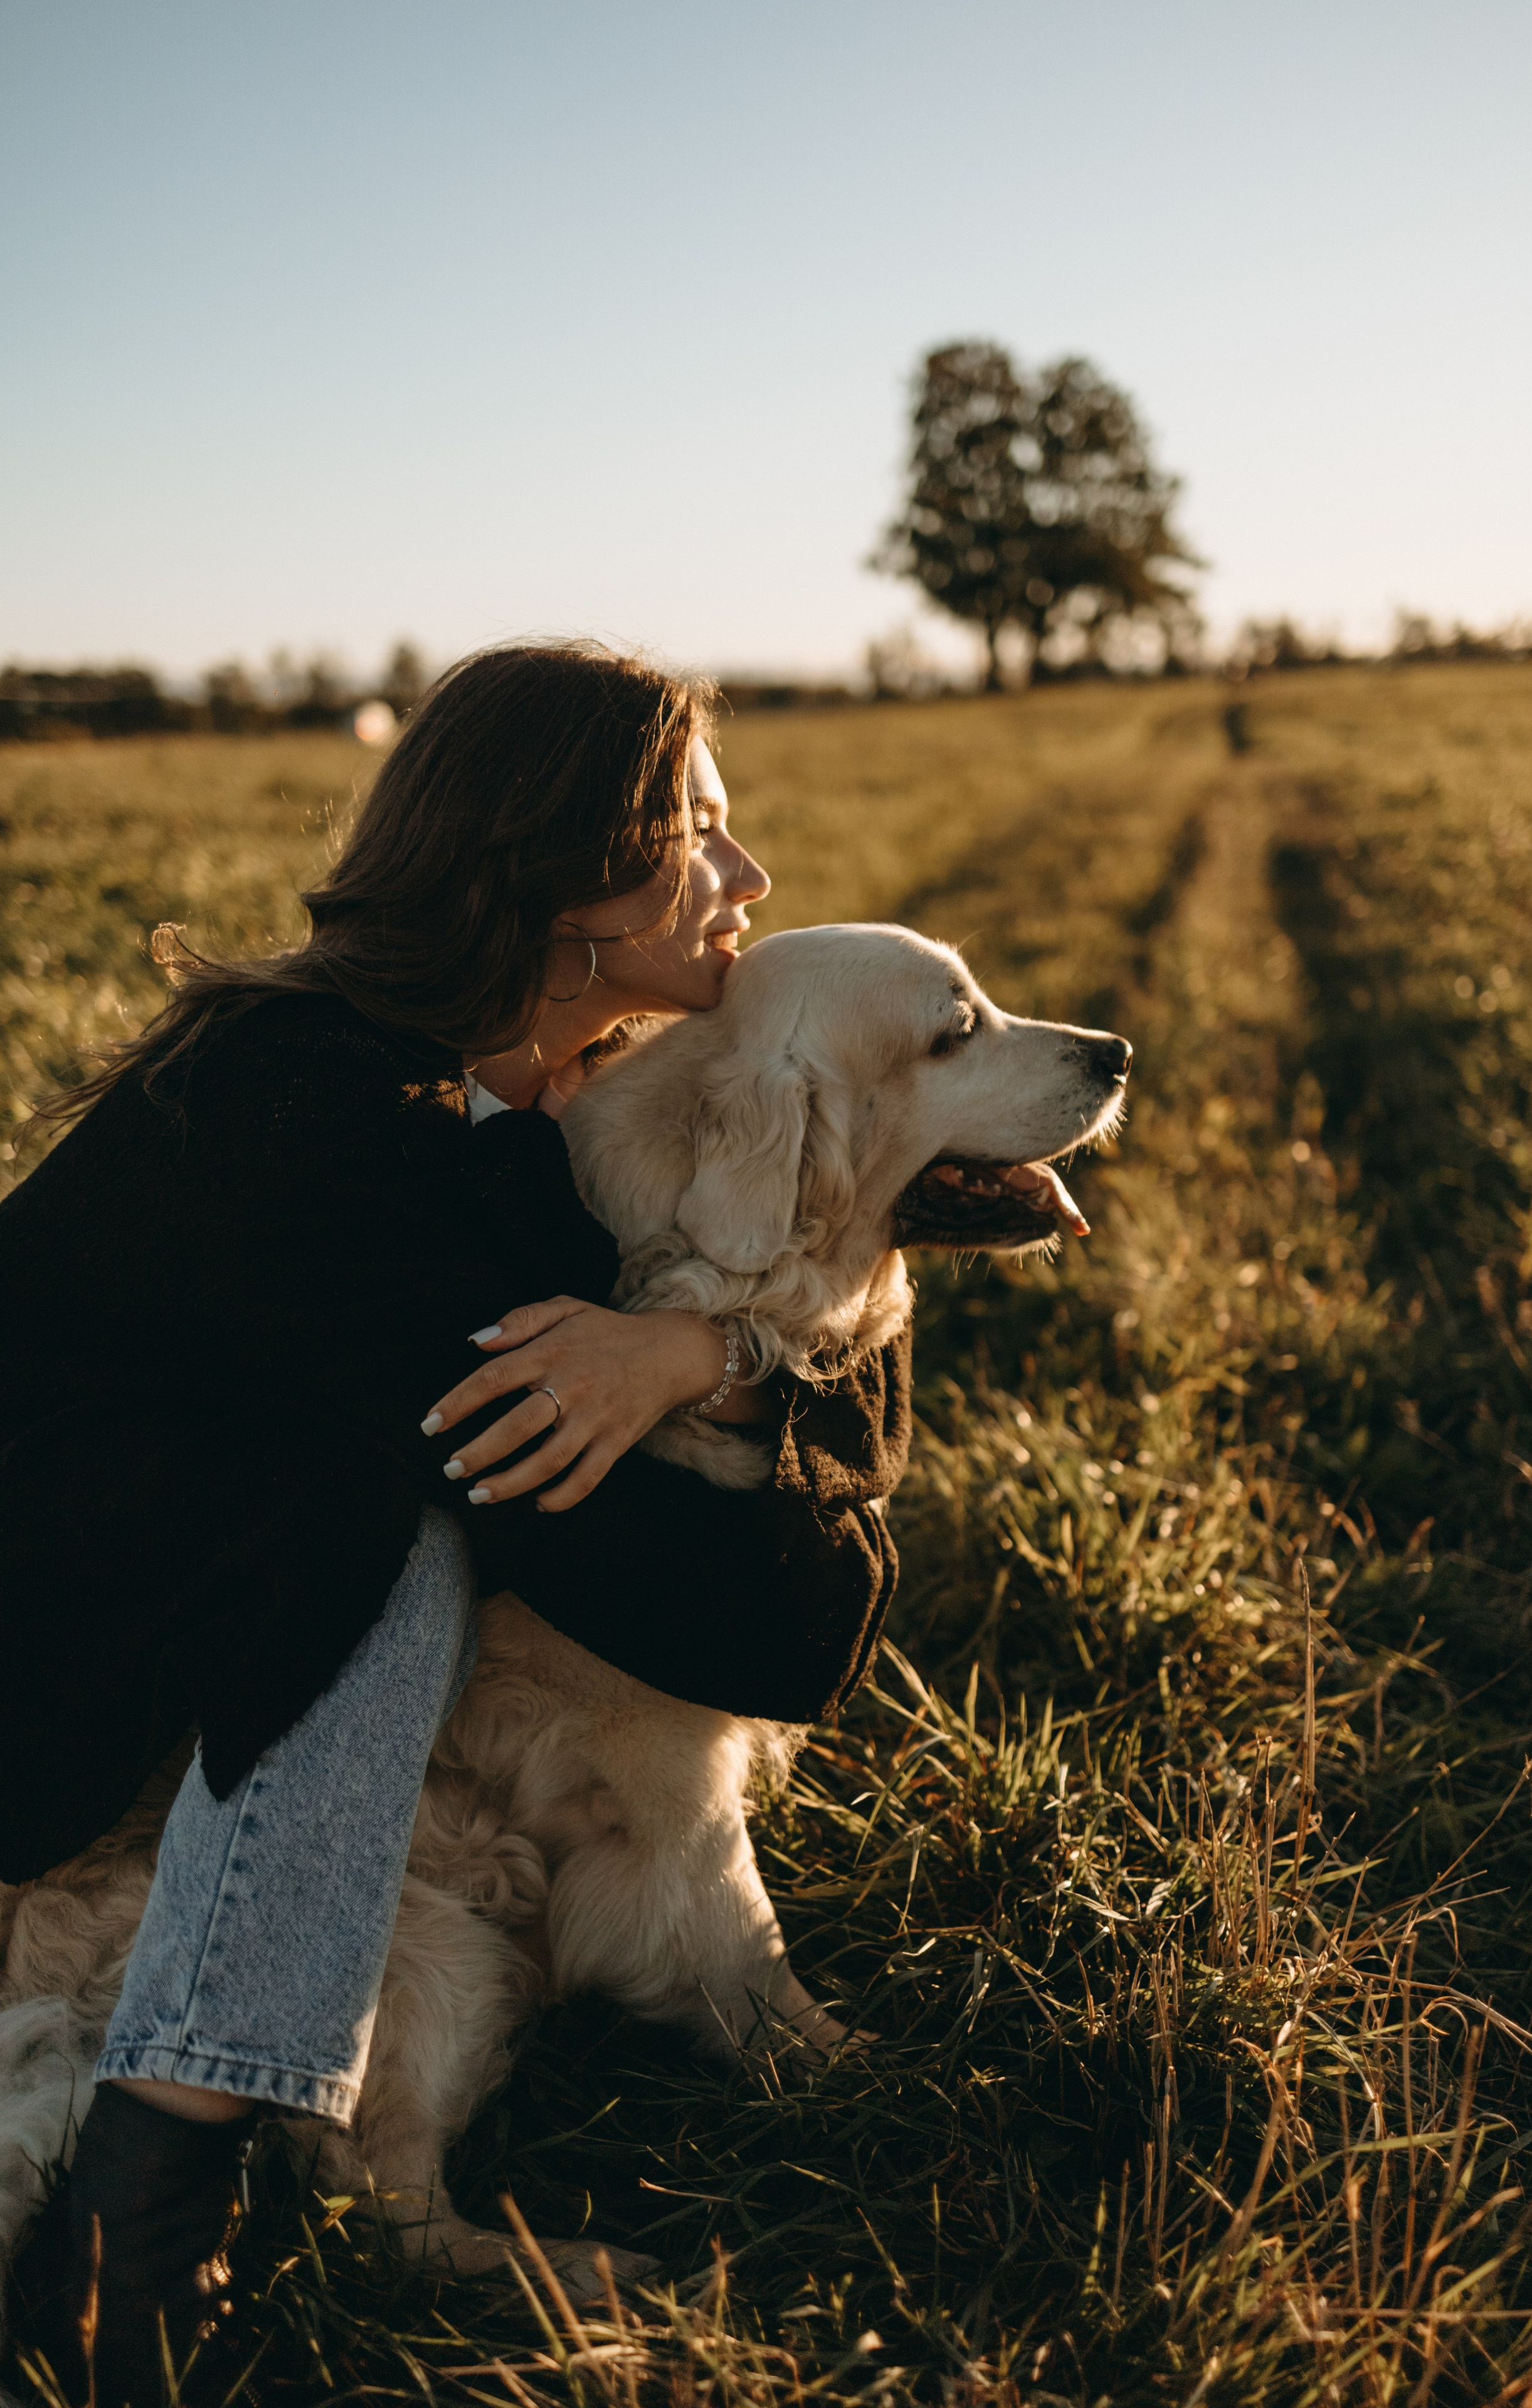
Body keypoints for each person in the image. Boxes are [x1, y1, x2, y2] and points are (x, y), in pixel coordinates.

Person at [0, 643, 911, 2404]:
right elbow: (717, 1607)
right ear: (549, 873)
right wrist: (709, 1368)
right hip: (37, 1690)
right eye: (694, 837)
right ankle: (132, 2226)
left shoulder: (501, 1093)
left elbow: (805, 1437)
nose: (749, 879)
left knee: (398, 1508)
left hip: (142, 1633)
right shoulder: (324, 1123)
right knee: (387, 1535)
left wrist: (701, 1355)